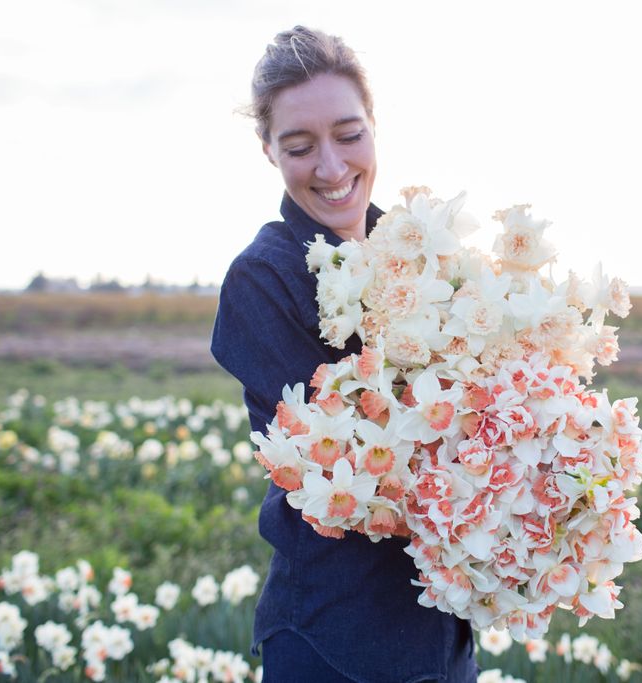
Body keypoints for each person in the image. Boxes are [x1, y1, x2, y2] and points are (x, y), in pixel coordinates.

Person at [211, 26, 478, 683]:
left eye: (349, 134)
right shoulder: (262, 278)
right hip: (337, 636)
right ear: (268, 150)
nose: (331, 169)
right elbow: (357, 453)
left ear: (375, 128)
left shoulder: (424, 251)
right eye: (300, 146)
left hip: (444, 628)